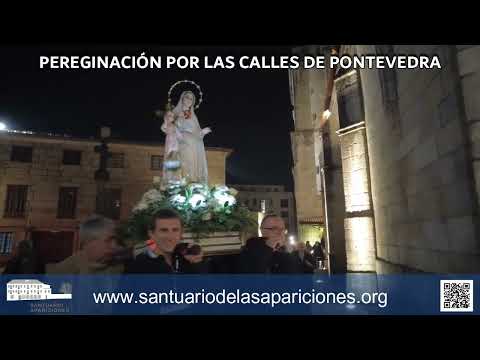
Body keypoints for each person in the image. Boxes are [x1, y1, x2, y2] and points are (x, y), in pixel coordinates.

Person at [124, 209, 208, 274]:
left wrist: (197, 263)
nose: (170, 237)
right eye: (164, 230)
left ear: (181, 233)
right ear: (151, 234)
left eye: (175, 230)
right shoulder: (137, 267)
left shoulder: (188, 261)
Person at [46, 215, 128, 274]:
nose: (115, 246)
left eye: (116, 240)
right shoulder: (66, 270)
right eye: (109, 240)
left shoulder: (124, 266)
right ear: (88, 243)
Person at [236, 214, 301, 273]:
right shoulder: (250, 249)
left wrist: (290, 252)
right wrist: (269, 247)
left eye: (282, 229)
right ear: (262, 230)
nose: (280, 232)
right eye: (274, 228)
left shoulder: (287, 252)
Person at [173, 91, 211, 184]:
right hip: (184, 142)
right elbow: (171, 126)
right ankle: (187, 182)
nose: (189, 100)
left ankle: (195, 182)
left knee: (196, 164)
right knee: (187, 161)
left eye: (191, 98)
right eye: (187, 97)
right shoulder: (176, 112)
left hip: (196, 143)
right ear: (182, 98)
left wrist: (203, 132)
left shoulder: (193, 115)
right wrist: (178, 123)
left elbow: (197, 132)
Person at [161, 109, 183, 185]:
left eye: (172, 116)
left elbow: (180, 136)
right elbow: (163, 128)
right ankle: (168, 176)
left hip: (175, 143)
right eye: (169, 116)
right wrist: (165, 121)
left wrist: (179, 135)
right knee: (168, 157)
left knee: (175, 157)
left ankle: (175, 176)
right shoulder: (166, 125)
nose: (170, 117)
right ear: (166, 117)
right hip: (169, 143)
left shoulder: (175, 126)